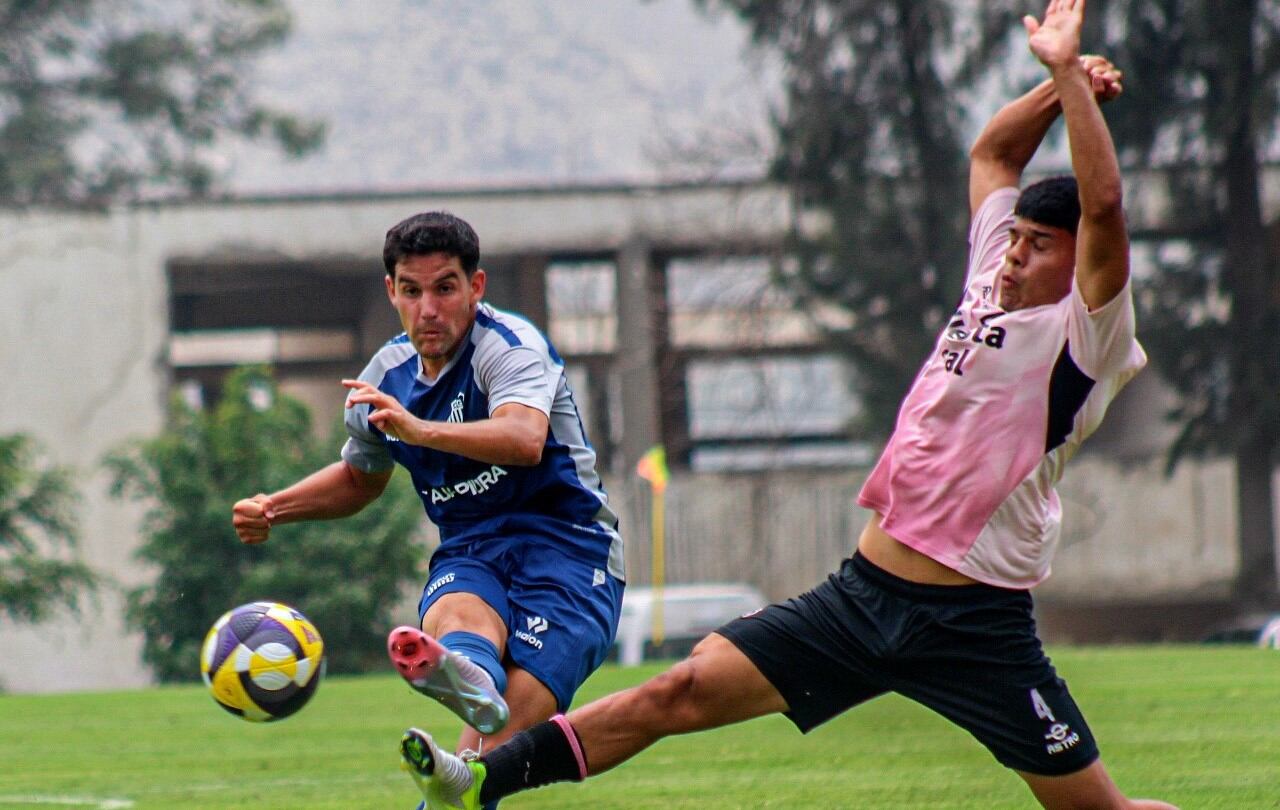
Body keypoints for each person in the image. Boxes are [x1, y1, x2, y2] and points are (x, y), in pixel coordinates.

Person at [397, 2, 1180, 809]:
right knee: (679, 690)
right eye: (1013, 239)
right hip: (865, 594)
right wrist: (1056, 90)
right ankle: (480, 780)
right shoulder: (993, 275)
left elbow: (1106, 207)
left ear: (1079, 259)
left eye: (1037, 246)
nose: (1013, 256)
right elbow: (994, 151)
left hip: (977, 625)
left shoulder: (1087, 332)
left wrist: (1066, 77)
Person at [230, 211, 626, 805]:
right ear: (392, 291)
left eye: (445, 287)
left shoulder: (511, 347)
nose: (428, 309)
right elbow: (361, 480)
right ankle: (466, 670)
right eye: (411, 291)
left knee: (490, 759)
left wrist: (421, 431)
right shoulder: (384, 377)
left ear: (476, 286)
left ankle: (476, 684)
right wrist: (275, 507)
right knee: (457, 614)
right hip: (473, 550)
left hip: (570, 553)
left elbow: (523, 440)